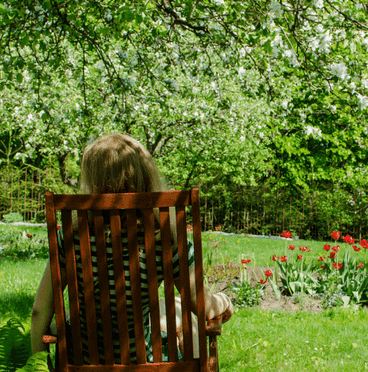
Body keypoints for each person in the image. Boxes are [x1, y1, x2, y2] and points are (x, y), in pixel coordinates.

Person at [30, 133, 233, 360]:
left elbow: (40, 311)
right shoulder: (166, 236)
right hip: (143, 361)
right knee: (183, 324)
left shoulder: (70, 237)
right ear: (146, 177)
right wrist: (224, 301)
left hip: (82, 363)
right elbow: (202, 306)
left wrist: (37, 364)